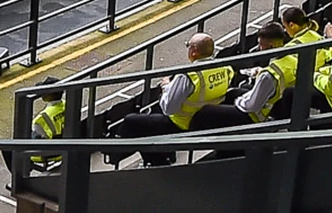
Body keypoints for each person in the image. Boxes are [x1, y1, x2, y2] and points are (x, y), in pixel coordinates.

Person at [106, 34, 250, 162]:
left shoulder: (188, 75)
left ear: (194, 51)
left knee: (132, 121)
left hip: (184, 124)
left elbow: (168, 108)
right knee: (152, 116)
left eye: (189, 46)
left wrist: (166, 87)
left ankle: (116, 155)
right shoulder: (225, 69)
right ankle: (166, 156)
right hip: (208, 120)